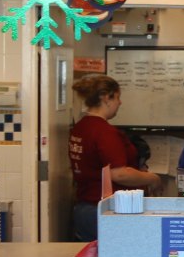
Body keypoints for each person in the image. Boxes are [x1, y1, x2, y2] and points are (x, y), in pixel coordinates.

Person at [68, 75, 162, 241]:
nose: (120, 103)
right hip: (104, 211)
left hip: (83, 208)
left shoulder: (80, 127)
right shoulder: (104, 132)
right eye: (118, 97)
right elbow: (120, 174)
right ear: (106, 98)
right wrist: (152, 178)